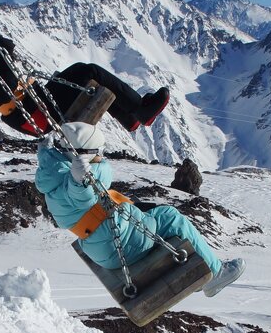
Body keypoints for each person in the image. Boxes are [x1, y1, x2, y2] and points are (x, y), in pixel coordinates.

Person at [35, 121, 245, 298]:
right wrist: (80, 179)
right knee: (171, 217)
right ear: (82, 155)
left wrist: (47, 152)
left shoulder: (53, 173)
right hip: (120, 247)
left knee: (148, 210)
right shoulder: (78, 181)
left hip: (99, 246)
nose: (102, 156)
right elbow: (80, 196)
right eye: (98, 153)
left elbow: (78, 197)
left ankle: (204, 268)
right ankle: (215, 275)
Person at [0, 17, 170, 136]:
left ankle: (130, 117)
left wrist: (4, 57)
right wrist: (5, 56)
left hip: (36, 106)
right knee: (88, 72)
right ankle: (139, 110)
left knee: (84, 75)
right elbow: (2, 91)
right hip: (37, 114)